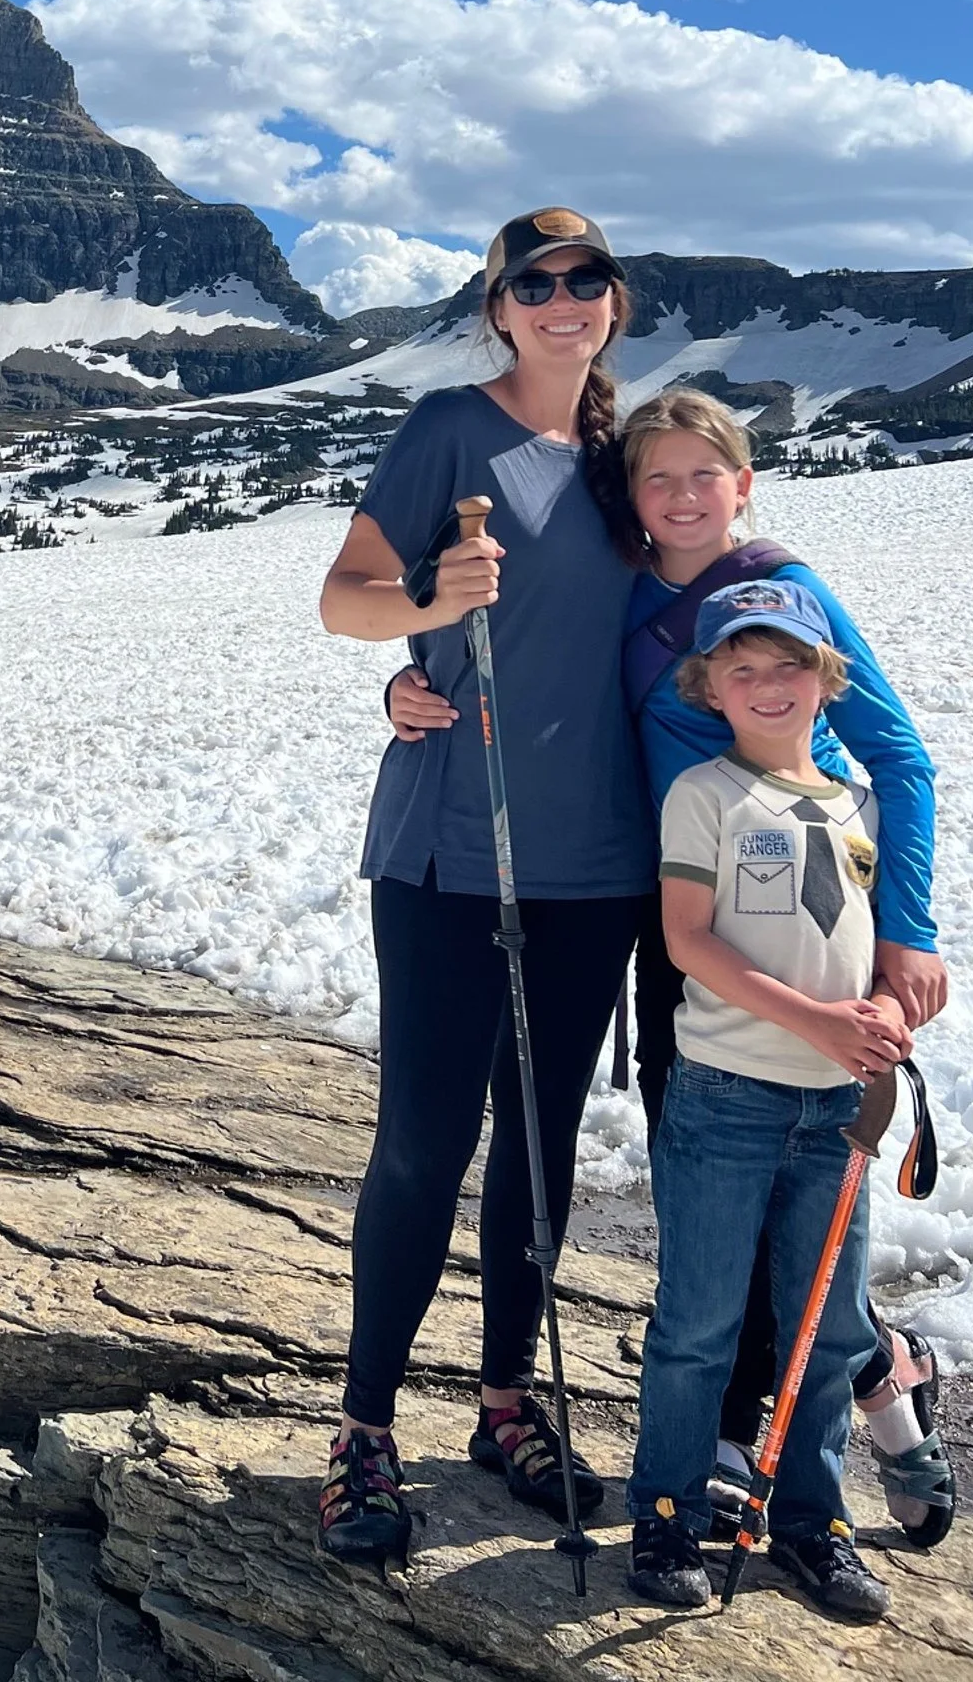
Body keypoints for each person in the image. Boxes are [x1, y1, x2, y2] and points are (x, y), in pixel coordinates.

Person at [315, 207, 654, 1568]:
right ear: (499, 308)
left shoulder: (633, 462)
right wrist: (426, 611)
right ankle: (363, 1431)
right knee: (424, 1139)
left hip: (597, 864)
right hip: (452, 850)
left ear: (614, 302)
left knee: (541, 1142)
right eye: (536, 282)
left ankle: (505, 1403)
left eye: (587, 278)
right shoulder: (449, 431)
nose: (564, 299)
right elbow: (343, 596)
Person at [620, 389, 955, 1548]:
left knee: (801, 1184)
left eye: (703, 474)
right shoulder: (624, 593)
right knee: (715, 1181)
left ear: (744, 483)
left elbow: (898, 758)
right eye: (656, 477)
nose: (682, 498)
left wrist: (906, 931)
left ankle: (800, 1409)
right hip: (684, 918)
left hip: (801, 920)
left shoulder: (783, 590)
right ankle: (846, 1379)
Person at [625, 579, 909, 1622]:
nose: (768, 684)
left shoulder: (860, 805)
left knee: (826, 1329)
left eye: (790, 664)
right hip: (727, 1096)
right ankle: (665, 1507)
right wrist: (815, 1022)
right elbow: (688, 939)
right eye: (741, 668)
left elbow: (875, 946)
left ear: (827, 680)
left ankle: (810, 1521)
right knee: (700, 1319)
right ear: (710, 688)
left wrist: (883, 1014)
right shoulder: (704, 795)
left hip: (838, 1110)